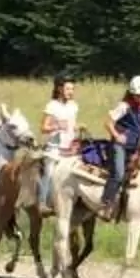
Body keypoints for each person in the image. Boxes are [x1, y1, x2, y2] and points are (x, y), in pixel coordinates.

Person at [100, 76, 140, 218]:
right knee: (118, 174)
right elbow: (108, 123)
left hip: (136, 147)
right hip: (119, 146)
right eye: (138, 95)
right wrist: (117, 136)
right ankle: (106, 204)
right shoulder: (124, 106)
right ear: (132, 94)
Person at [38, 75, 81, 208]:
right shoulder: (52, 106)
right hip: (55, 148)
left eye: (72, 89)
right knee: (49, 172)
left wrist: (78, 127)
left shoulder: (74, 106)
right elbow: (43, 128)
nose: (71, 92)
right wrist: (57, 126)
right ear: (59, 89)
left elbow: (72, 125)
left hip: (71, 147)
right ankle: (43, 201)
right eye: (68, 88)